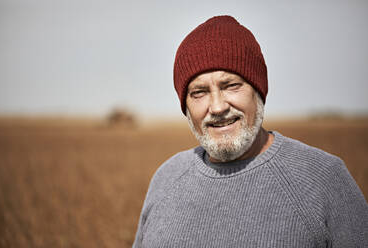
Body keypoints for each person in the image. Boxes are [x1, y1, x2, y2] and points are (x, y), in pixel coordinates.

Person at [133, 15, 368, 247]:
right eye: (199, 92)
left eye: (232, 86)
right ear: (186, 106)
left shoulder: (324, 179)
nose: (217, 107)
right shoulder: (166, 179)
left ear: (258, 91)